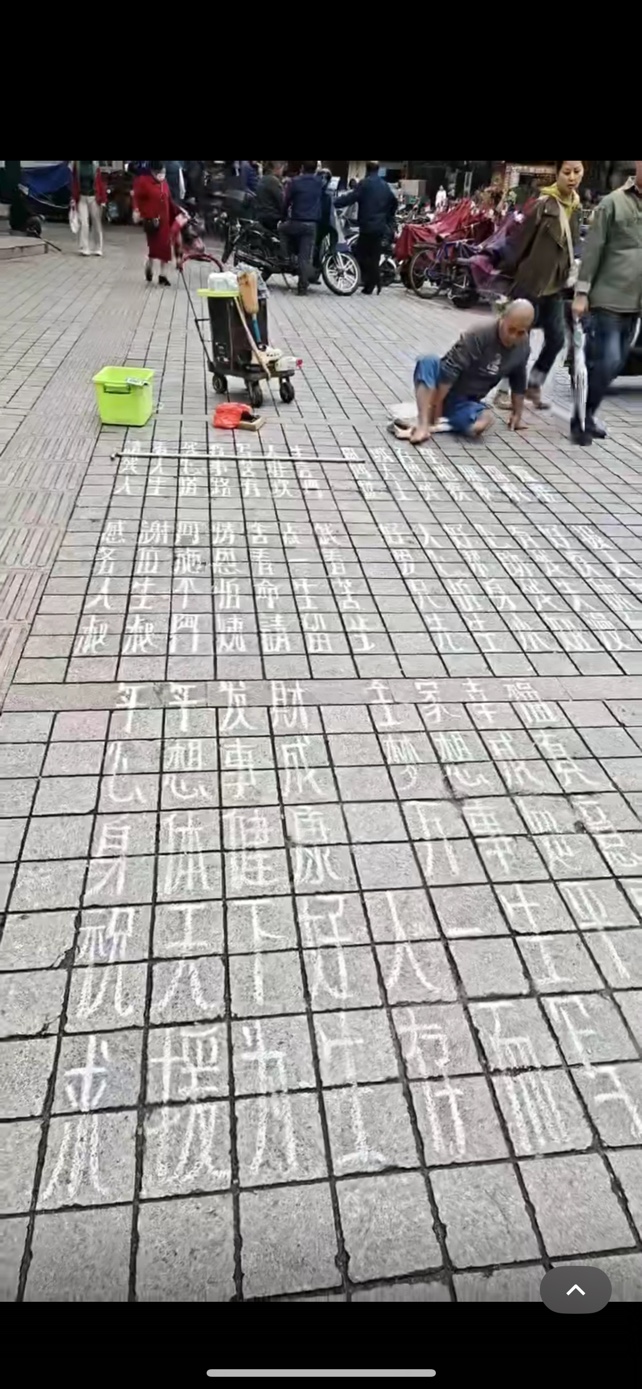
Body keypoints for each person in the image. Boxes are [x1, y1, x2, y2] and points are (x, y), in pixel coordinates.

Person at [502, 160, 584, 408]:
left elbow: (573, 243)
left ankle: (534, 385)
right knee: (519, 340)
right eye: (567, 172)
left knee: (557, 339)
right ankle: (504, 391)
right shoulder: (542, 205)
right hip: (530, 284)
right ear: (557, 174)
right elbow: (520, 242)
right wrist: (509, 277)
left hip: (556, 287)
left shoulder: (576, 206)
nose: (572, 177)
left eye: (577, 172)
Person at [571, 160, 642, 442]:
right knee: (609, 359)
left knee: (615, 362)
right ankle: (581, 418)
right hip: (608, 298)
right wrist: (581, 293)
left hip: (635, 303)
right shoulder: (612, 203)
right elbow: (592, 250)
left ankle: (586, 413)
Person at [408, 300, 534, 444]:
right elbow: (451, 369)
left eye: (520, 332)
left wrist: (517, 414)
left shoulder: (523, 347)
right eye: (511, 330)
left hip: (464, 400)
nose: (513, 337)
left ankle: (452, 421)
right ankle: (423, 424)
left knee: (485, 418)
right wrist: (435, 408)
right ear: (502, 319)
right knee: (427, 361)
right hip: (440, 387)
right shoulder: (480, 333)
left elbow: (518, 379)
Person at [335, 161, 398, 294]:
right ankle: (372, 284)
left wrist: (334, 203)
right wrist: (388, 216)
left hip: (367, 225)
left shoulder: (365, 184)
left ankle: (373, 279)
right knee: (374, 256)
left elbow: (351, 197)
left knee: (361, 254)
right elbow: (394, 202)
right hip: (380, 226)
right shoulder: (385, 186)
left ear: (367, 169)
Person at [279, 159, 323, 296]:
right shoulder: (319, 182)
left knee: (281, 230)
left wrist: (283, 216)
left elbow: (286, 201)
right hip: (311, 225)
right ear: (315, 169)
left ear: (302, 167)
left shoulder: (295, 182)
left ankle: (285, 256)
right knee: (305, 258)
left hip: (296, 222)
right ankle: (302, 287)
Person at [133, 161, 179, 286]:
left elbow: (169, 200)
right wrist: (136, 210)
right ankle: (149, 265)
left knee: (165, 248)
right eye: (159, 172)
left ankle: (163, 275)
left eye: (163, 172)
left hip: (165, 220)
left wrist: (177, 212)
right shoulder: (144, 182)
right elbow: (137, 197)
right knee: (154, 247)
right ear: (152, 172)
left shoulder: (164, 183)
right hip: (151, 220)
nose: (161, 175)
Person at [71, 161, 107, 256]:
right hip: (82, 197)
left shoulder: (95, 164)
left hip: (94, 197)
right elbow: (74, 182)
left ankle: (98, 247)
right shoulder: (77, 164)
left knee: (96, 222)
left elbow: (100, 183)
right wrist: (73, 197)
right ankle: (84, 247)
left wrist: (103, 199)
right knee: (84, 223)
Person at [254, 160, 285, 232]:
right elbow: (282, 202)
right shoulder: (273, 181)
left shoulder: (263, 179)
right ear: (278, 168)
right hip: (273, 219)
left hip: (261, 216)